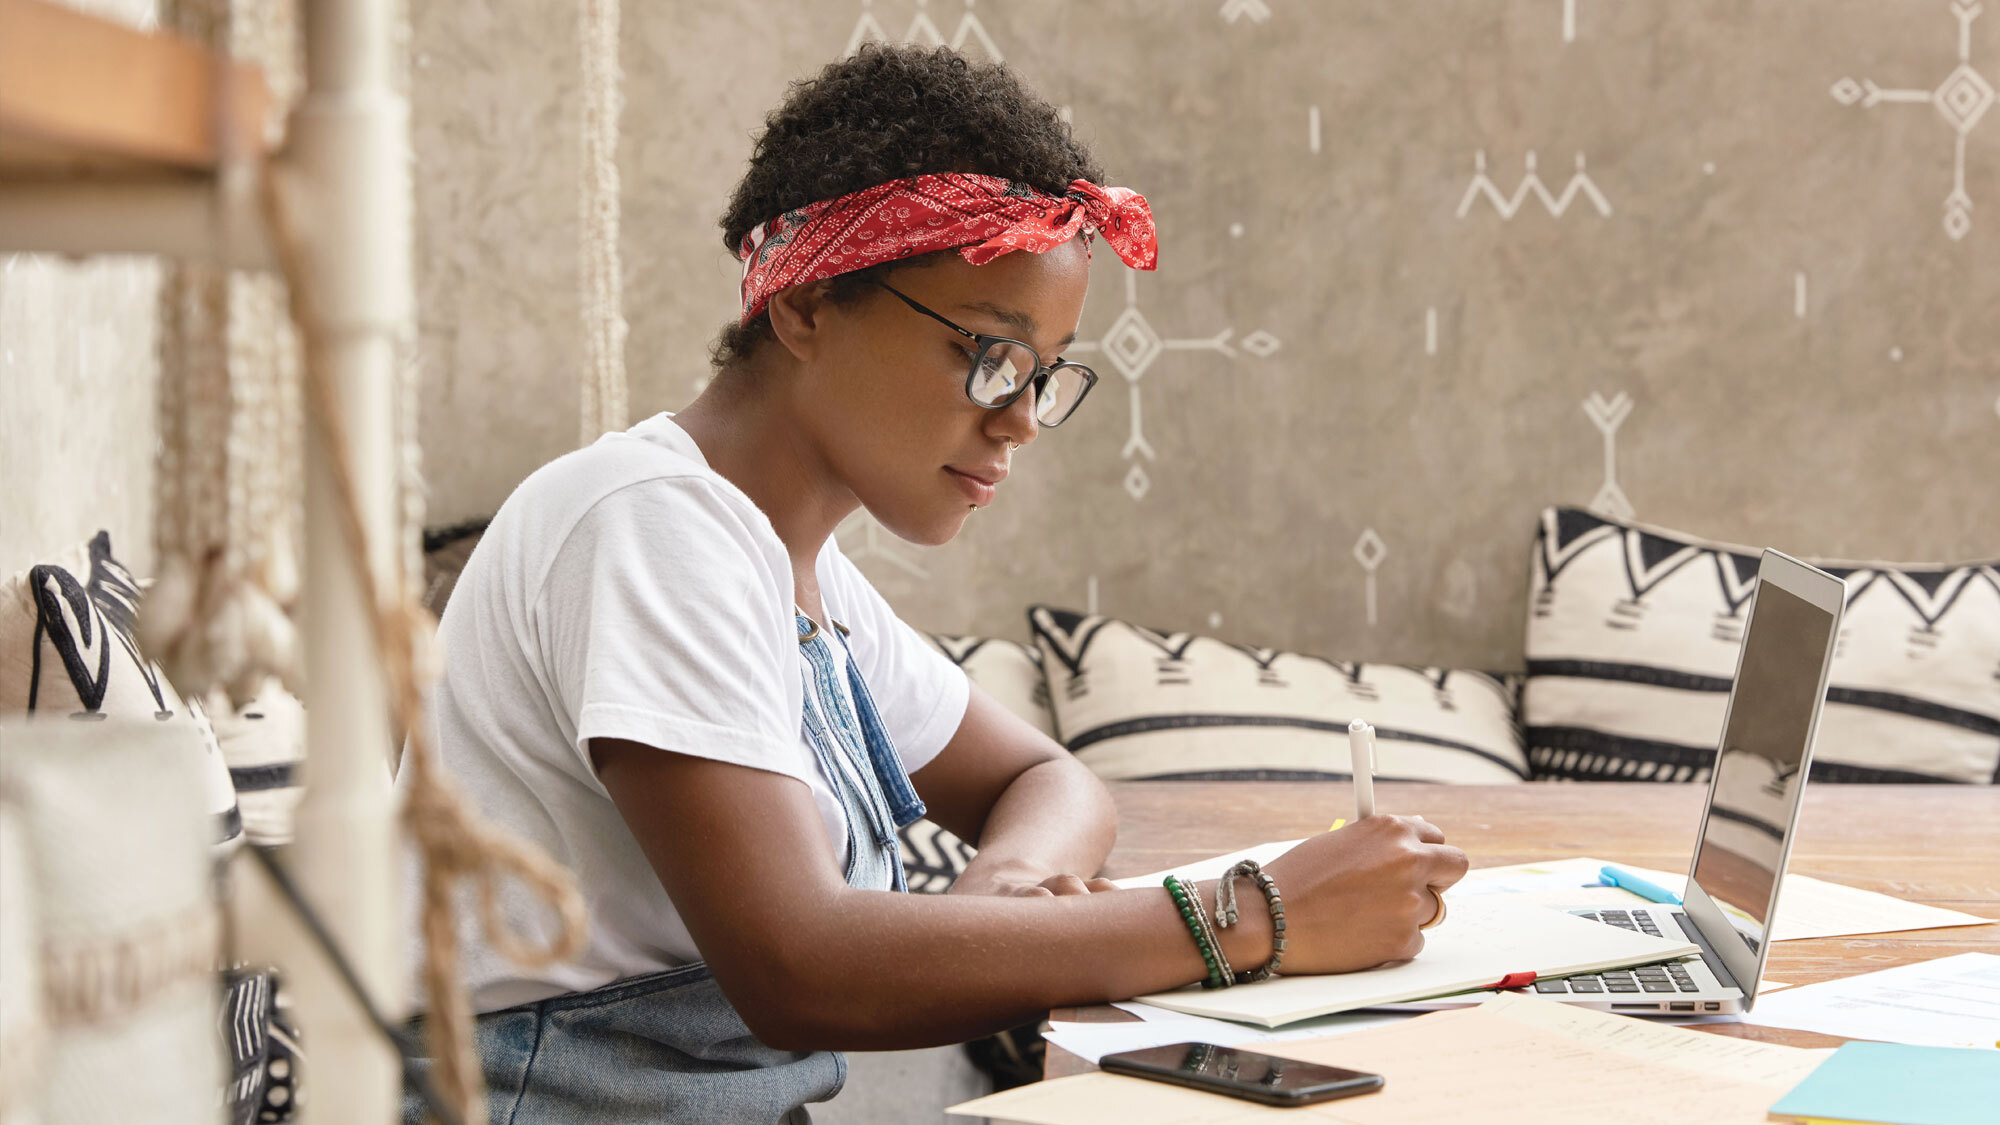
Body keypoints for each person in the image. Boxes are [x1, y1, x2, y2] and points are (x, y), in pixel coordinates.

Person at [400, 44, 1467, 1125]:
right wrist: (1255, 914)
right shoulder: (643, 525)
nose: (1016, 418)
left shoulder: (798, 572)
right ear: (808, 308)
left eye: (1044, 376)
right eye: (987, 355)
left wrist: (1007, 886)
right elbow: (802, 968)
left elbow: (1049, 783)